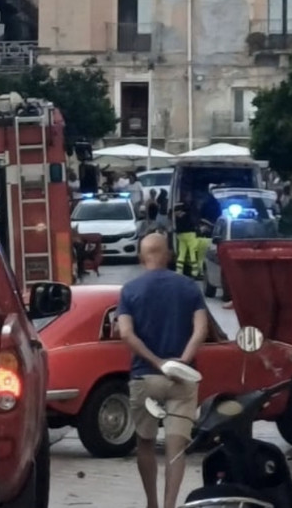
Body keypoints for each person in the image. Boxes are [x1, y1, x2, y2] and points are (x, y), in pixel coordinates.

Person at [118, 232, 209, 508]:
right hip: (182, 381)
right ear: (168, 255)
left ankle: (152, 504)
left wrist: (157, 362)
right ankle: (170, 505)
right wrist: (181, 361)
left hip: (145, 377)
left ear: (141, 257)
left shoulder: (130, 290)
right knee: (175, 449)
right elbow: (201, 330)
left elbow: (125, 333)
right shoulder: (190, 287)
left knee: (145, 443)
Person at [173, 196, 198, 277]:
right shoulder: (188, 214)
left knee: (182, 254)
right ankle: (195, 272)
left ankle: (179, 271)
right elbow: (194, 222)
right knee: (193, 253)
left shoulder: (176, 218)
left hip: (181, 236)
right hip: (190, 235)